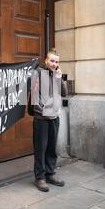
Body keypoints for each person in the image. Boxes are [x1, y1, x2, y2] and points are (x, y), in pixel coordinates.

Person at [31, 50, 68, 192]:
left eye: (57, 62)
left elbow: (64, 93)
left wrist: (60, 78)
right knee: (41, 148)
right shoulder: (37, 74)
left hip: (54, 118)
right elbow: (34, 99)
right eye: (52, 61)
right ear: (46, 60)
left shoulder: (57, 75)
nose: (54, 64)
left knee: (52, 148)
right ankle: (40, 177)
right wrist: (44, 111)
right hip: (42, 118)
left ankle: (50, 173)